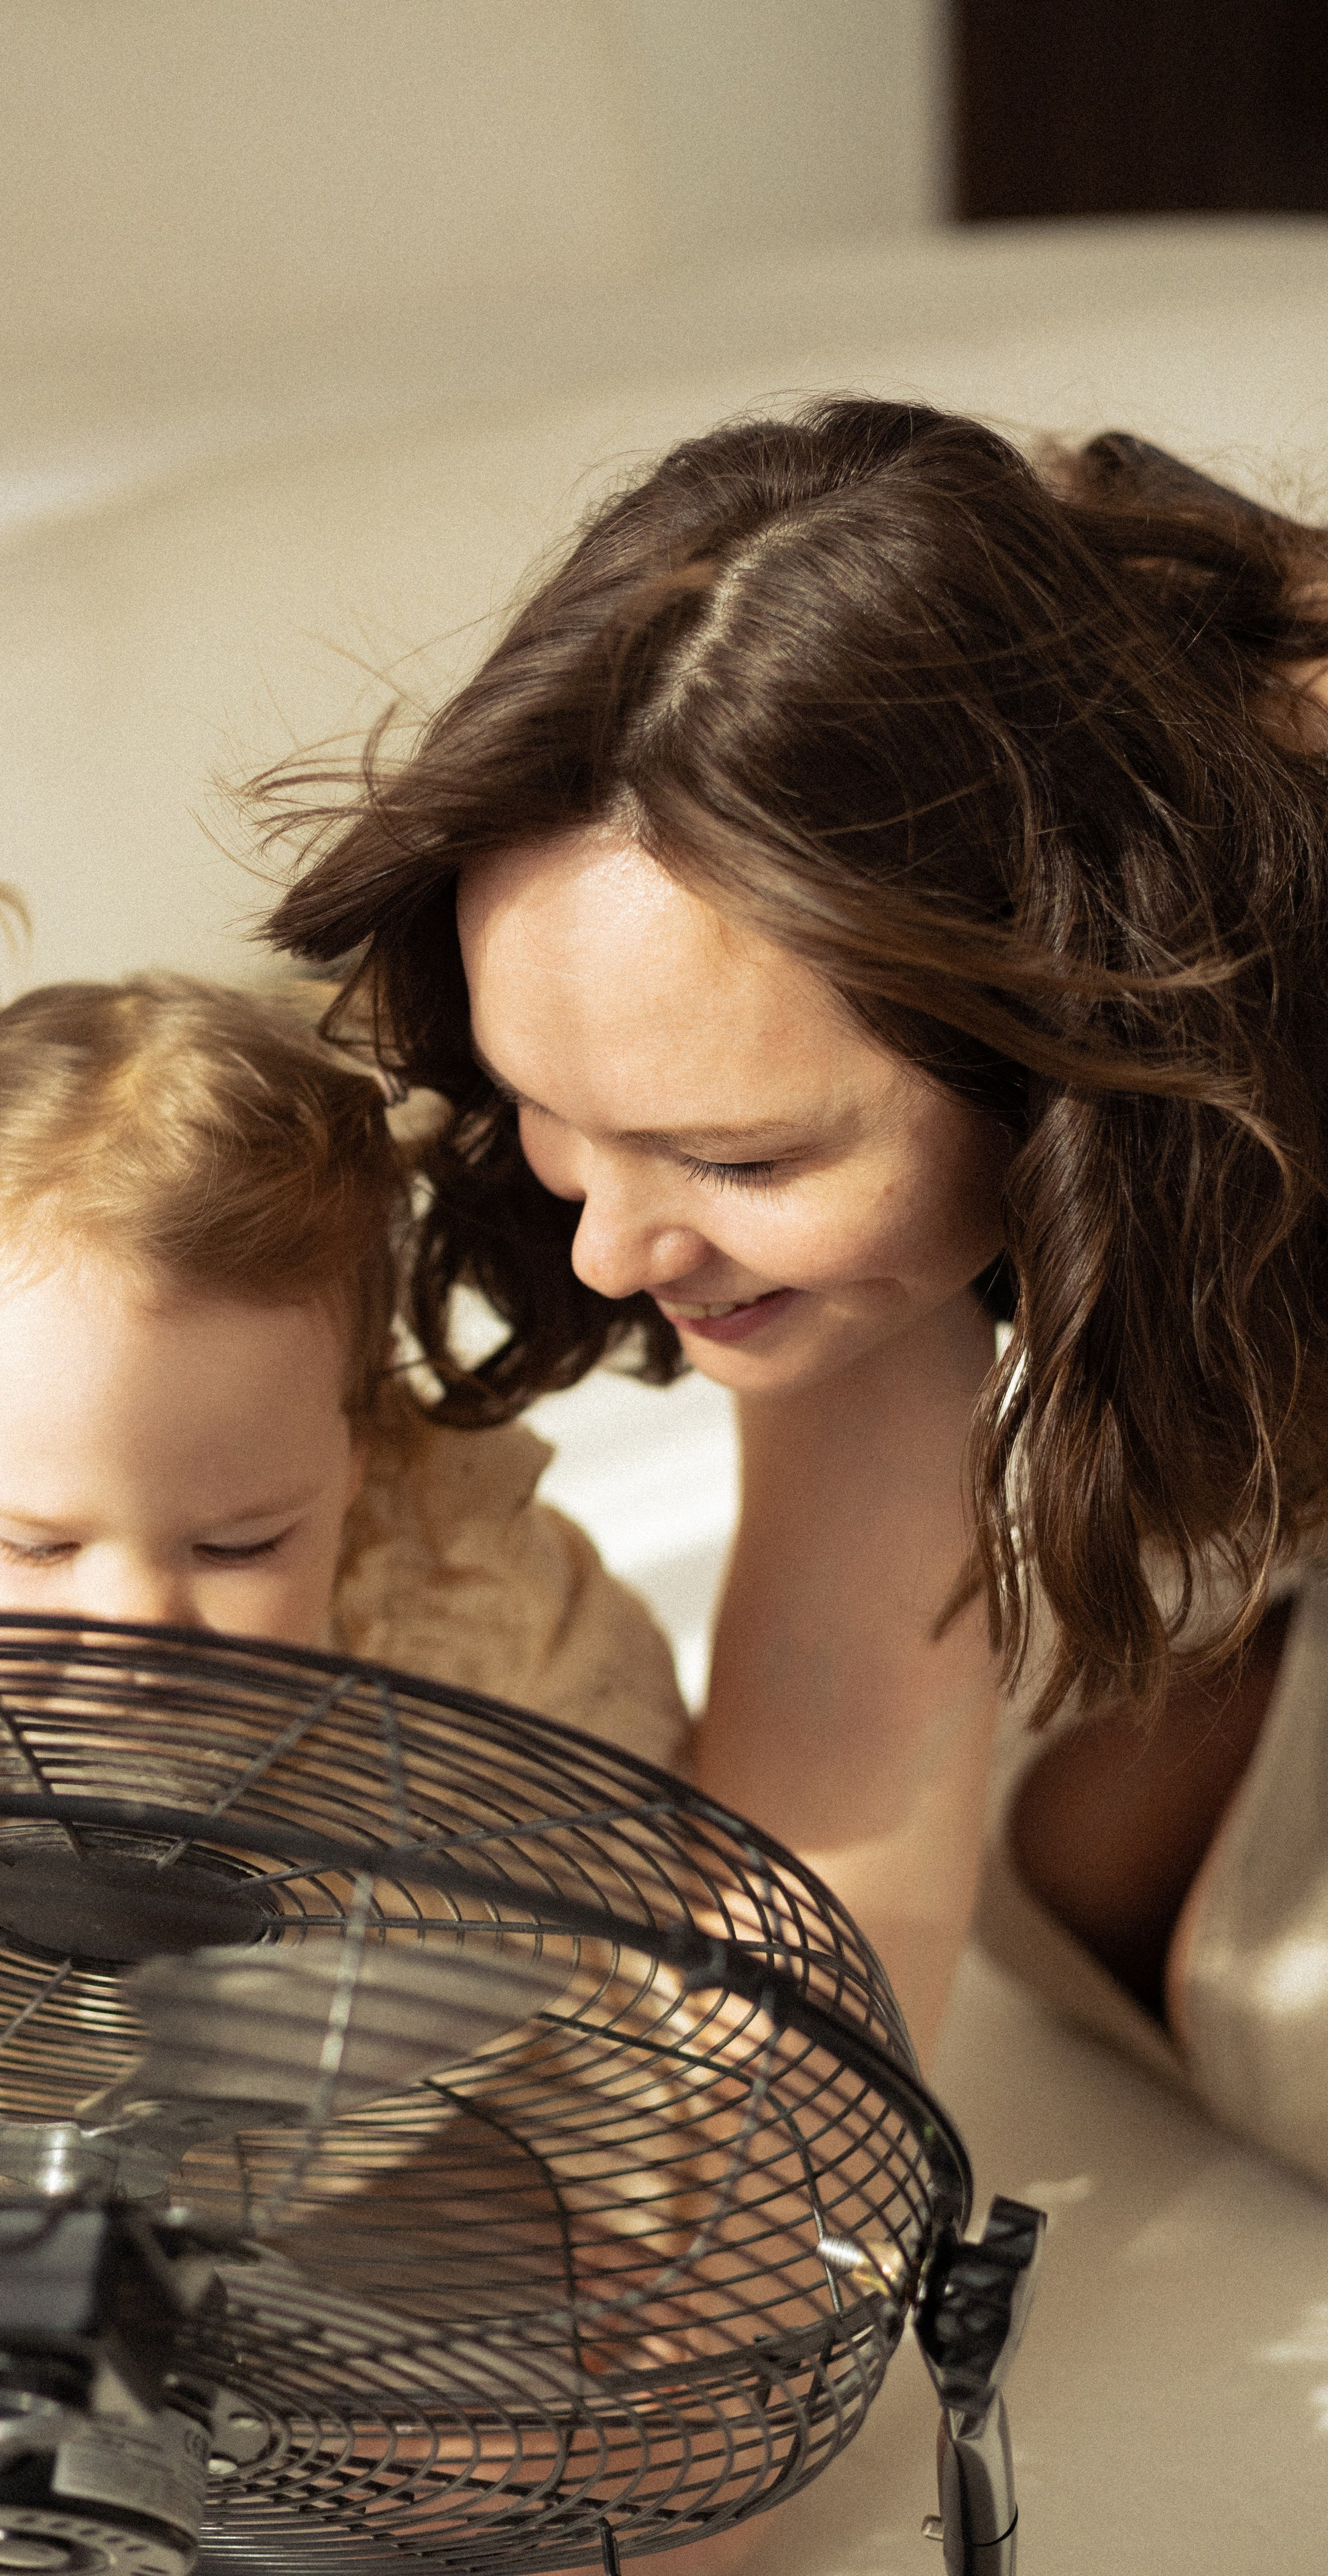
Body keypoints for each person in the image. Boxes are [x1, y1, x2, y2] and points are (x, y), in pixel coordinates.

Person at [259, 395, 1328, 2186]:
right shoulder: (846, 889)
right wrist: (683, 2300)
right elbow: (835, 1761)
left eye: (739, 1160)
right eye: (551, 1113)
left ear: (1071, 1020)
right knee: (1055, 1858)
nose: (608, 1250)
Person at [0, 805, 688, 1766]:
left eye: (238, 1546)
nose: (135, 1627)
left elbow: (646, 1802)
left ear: (362, 1434)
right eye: (37, 1547)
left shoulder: (464, 1589)